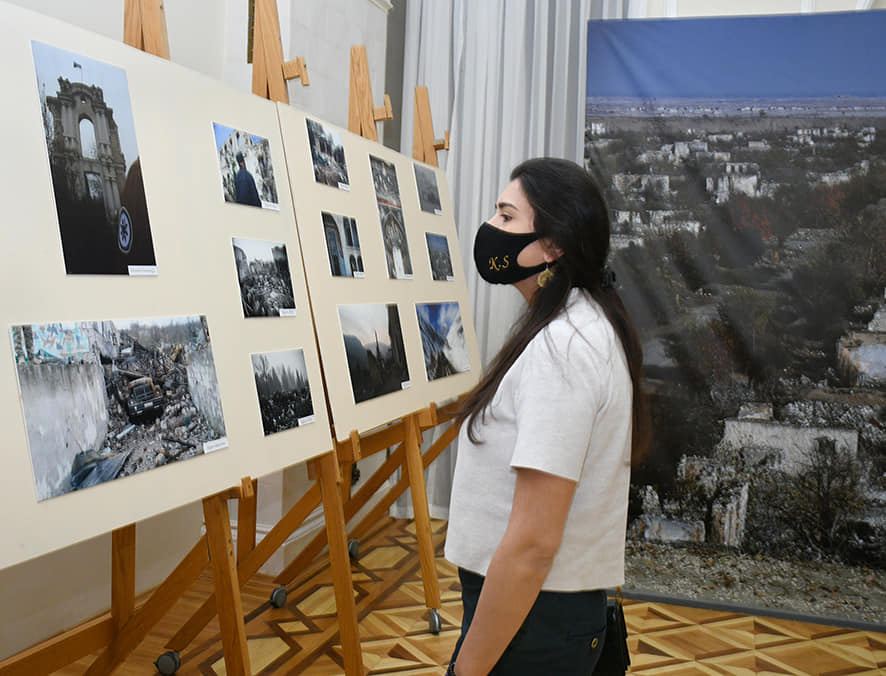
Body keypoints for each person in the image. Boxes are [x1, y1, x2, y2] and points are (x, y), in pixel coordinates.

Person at [445, 158, 650, 675]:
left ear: (553, 245)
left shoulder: (564, 348)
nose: (490, 228)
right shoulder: (574, 325)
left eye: (506, 216)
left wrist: (467, 670)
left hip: (532, 619)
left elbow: (533, 544)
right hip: (534, 612)